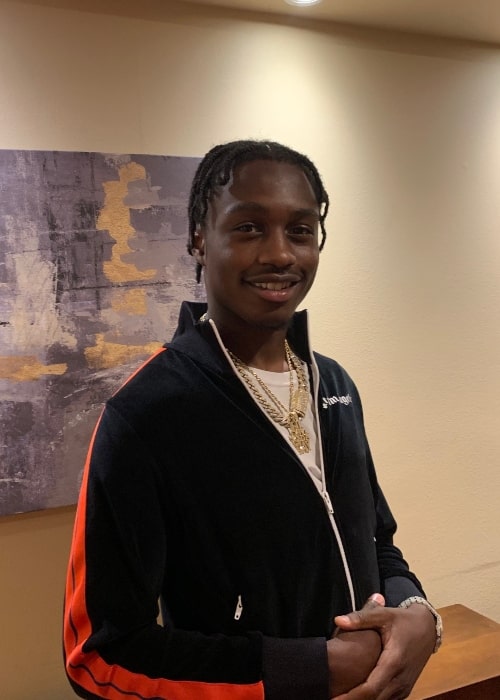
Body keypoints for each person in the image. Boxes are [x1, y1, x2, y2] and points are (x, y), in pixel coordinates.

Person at [63, 140, 441, 700]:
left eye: (300, 230)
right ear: (198, 239)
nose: (280, 254)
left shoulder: (332, 385)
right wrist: (309, 668)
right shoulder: (144, 415)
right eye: (248, 228)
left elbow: (376, 540)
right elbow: (99, 658)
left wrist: (416, 610)